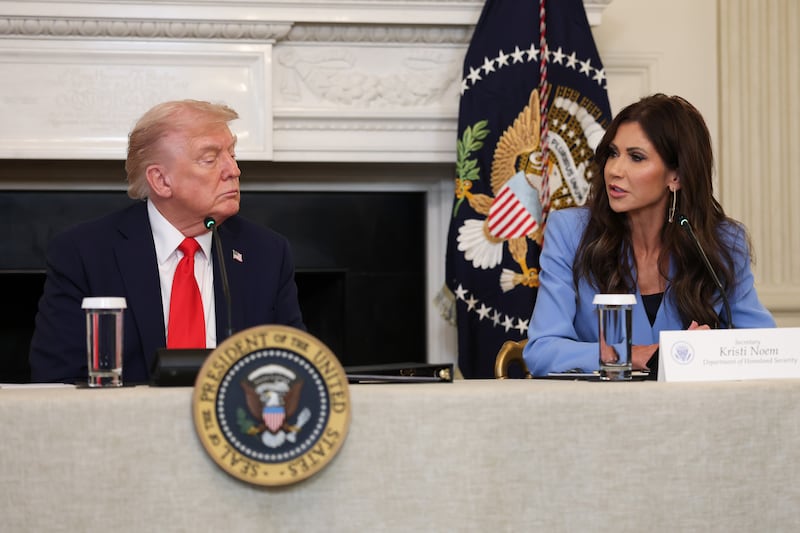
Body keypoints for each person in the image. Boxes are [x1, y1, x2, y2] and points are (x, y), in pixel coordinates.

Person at [30, 99, 305, 383]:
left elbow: (295, 369)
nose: (233, 170)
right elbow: (55, 380)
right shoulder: (85, 254)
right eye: (210, 159)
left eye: (232, 154)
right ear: (161, 180)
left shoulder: (266, 253)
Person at [523, 93, 775, 377]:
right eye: (613, 154)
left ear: (676, 176)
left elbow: (764, 346)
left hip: (693, 414)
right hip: (598, 413)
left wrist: (709, 350)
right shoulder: (570, 232)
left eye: (636, 157)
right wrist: (630, 355)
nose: (615, 170)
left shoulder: (723, 242)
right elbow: (541, 350)